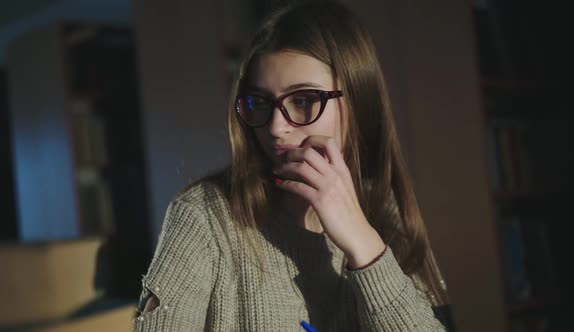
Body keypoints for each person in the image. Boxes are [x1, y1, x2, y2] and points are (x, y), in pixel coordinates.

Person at [133, 1, 452, 331]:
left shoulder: (383, 209)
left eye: (302, 101)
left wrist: (364, 243)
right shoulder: (203, 217)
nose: (275, 128)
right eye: (259, 103)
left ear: (356, 102)